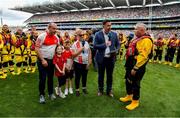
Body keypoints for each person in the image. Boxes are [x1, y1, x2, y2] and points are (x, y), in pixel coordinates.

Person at [119, 23, 153, 110]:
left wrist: (136, 67)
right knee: (128, 80)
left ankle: (135, 101)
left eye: (136, 29)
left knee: (135, 83)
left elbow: (143, 56)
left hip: (138, 65)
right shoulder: (137, 39)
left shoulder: (146, 40)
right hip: (130, 62)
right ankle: (129, 95)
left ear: (142, 30)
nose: (134, 30)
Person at [93, 20, 120, 97]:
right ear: (103, 26)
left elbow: (118, 45)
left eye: (110, 25)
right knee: (100, 75)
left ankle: (109, 91)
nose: (109, 27)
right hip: (101, 58)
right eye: (108, 25)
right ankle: (100, 90)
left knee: (110, 76)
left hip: (111, 58)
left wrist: (116, 50)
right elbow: (95, 46)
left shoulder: (114, 34)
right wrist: (104, 45)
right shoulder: (98, 34)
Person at [35, 23, 59, 104]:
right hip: (42, 61)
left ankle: (50, 93)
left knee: (50, 78)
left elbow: (57, 48)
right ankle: (41, 95)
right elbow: (37, 48)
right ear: (49, 28)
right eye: (53, 28)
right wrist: (42, 60)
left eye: (56, 29)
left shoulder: (56, 37)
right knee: (42, 79)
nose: (55, 30)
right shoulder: (41, 36)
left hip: (51, 61)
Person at [71, 29, 92, 96]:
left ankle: (84, 88)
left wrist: (89, 62)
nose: (82, 36)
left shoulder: (86, 43)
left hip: (85, 63)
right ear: (77, 36)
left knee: (84, 76)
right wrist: (80, 50)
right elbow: (73, 55)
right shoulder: (74, 44)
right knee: (77, 77)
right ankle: (77, 89)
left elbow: (89, 52)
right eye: (81, 35)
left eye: (83, 35)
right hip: (78, 63)